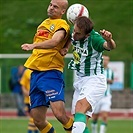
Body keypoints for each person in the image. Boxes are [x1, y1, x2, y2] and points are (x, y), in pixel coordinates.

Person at [21, 0, 73, 133]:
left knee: (60, 115)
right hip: (36, 73)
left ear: (63, 11)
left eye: (55, 7)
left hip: (51, 72)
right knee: (38, 120)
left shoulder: (62, 24)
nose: (51, 8)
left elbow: (55, 41)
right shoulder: (43, 24)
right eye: (50, 5)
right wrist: (67, 46)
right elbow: (70, 39)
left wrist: (33, 46)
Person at [60, 16, 116, 133]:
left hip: (94, 80)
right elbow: (71, 37)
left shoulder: (94, 39)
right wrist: (66, 47)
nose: (74, 35)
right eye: (74, 31)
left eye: (78, 33)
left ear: (87, 35)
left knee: (80, 107)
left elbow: (109, 46)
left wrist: (109, 40)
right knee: (79, 120)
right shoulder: (75, 32)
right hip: (80, 80)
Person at [91, 55, 114, 133]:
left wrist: (109, 80)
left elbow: (112, 81)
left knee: (104, 117)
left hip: (107, 97)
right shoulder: (96, 70)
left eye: (107, 60)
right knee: (95, 117)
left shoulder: (110, 71)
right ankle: (94, 131)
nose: (105, 61)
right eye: (104, 60)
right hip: (97, 97)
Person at [20, 69, 39, 133]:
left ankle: (33, 131)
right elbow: (23, 84)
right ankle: (31, 131)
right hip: (28, 100)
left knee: (36, 118)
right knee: (34, 117)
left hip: (37, 98)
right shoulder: (27, 71)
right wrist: (26, 92)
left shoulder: (40, 70)